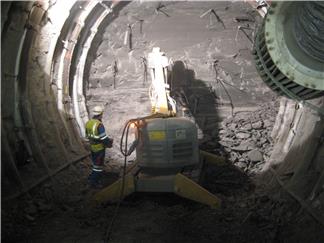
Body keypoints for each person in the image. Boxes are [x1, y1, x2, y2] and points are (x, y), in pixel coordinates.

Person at [85, 106, 113, 188]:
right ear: (101, 114)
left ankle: (92, 178)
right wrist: (109, 143)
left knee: (95, 165)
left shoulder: (88, 123)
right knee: (98, 167)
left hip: (93, 147)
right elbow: (103, 138)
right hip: (99, 149)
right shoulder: (99, 125)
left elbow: (87, 135)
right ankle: (94, 182)